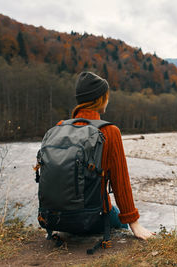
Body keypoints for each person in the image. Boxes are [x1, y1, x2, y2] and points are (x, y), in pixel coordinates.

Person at [60, 71, 154, 240]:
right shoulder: (109, 131)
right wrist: (133, 223)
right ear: (100, 98)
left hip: (57, 216)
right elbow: (120, 181)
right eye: (107, 96)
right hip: (93, 217)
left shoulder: (59, 128)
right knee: (118, 217)